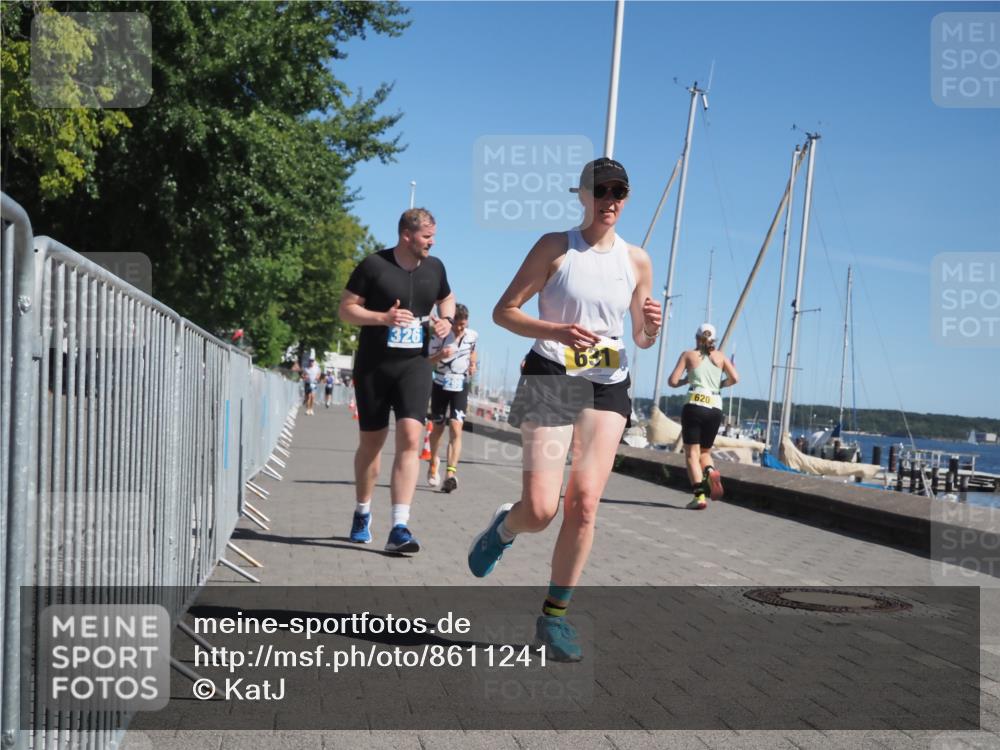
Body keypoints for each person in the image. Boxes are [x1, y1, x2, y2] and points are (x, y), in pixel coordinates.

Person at [467, 158, 662, 661]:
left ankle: (554, 619)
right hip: (552, 373)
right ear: (582, 194)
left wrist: (651, 327)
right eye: (601, 190)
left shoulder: (637, 260)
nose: (609, 200)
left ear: (626, 197)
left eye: (618, 191)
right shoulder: (556, 247)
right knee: (540, 509)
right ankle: (505, 528)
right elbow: (503, 312)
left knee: (585, 503)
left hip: (607, 382)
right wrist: (556, 330)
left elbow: (640, 337)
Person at [338, 208, 455, 553]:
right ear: (407, 236)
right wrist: (383, 317)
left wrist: (446, 320)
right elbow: (346, 309)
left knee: (410, 437)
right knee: (371, 444)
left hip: (415, 366)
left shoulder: (435, 268)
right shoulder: (374, 265)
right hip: (374, 366)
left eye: (434, 236)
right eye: (427, 237)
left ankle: (399, 527)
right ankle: (362, 511)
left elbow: (447, 299)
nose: (432, 242)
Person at [667, 323, 740, 509]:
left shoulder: (688, 355)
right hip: (715, 407)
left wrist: (686, 380)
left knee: (692, 453)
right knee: (705, 451)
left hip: (695, 404)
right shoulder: (721, 357)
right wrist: (720, 385)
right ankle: (710, 470)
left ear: (696, 338)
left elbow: (672, 381)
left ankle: (699, 496)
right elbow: (735, 378)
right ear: (713, 340)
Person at [426, 303, 478, 492]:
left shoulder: (472, 335)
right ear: (451, 322)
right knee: (438, 428)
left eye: (463, 325)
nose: (460, 328)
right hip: (440, 384)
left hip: (460, 385)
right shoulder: (439, 336)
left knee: (456, 427)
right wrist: (441, 354)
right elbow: (427, 361)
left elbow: (473, 351)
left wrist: (473, 365)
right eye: (457, 325)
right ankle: (433, 461)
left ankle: (450, 474)